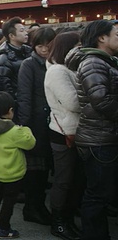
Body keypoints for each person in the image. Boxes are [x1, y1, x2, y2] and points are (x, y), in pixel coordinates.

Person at [69, 20, 118, 240]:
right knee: (97, 195)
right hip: (99, 138)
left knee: (100, 192)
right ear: (102, 38)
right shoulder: (93, 63)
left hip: (103, 135)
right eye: (116, 34)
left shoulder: (105, 61)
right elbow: (102, 100)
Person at [44, 31, 83, 240]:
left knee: (76, 180)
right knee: (64, 180)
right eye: (77, 45)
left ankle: (67, 218)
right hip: (63, 132)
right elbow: (73, 103)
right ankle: (58, 221)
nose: (80, 49)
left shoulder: (70, 69)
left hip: (77, 130)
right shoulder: (57, 71)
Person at [0, 91, 36, 239]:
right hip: (12, 174)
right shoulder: (14, 131)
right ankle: (3, 227)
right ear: (11, 111)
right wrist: (25, 128)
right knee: (8, 201)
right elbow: (30, 143)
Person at [16, 27, 56, 226]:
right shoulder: (29, 65)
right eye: (40, 46)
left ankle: (39, 206)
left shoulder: (55, 63)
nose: (44, 50)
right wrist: (25, 126)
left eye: (48, 46)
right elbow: (24, 97)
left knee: (45, 168)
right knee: (35, 170)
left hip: (52, 123)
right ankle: (32, 208)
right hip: (35, 124)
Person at [0, 17, 32, 98]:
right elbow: (4, 85)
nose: (26, 33)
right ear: (11, 36)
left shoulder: (29, 51)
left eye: (25, 30)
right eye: (22, 31)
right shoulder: (4, 57)